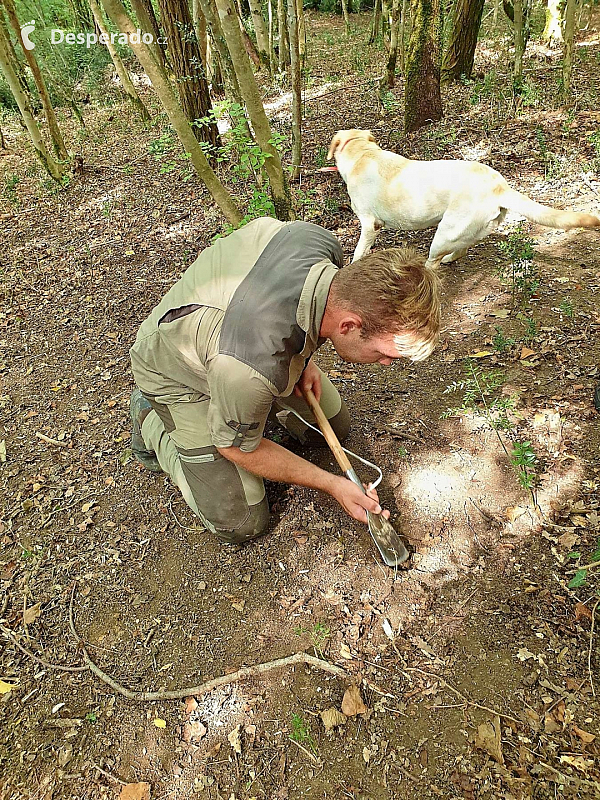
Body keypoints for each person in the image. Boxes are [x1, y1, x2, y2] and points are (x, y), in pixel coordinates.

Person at [129, 217, 441, 544]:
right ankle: (150, 420)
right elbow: (234, 449)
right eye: (385, 352)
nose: (388, 362)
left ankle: (251, 405)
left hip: (236, 351)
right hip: (176, 370)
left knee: (334, 428)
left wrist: (303, 359)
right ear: (349, 326)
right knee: (242, 522)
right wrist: (332, 484)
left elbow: (300, 308)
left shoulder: (320, 246)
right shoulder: (249, 369)